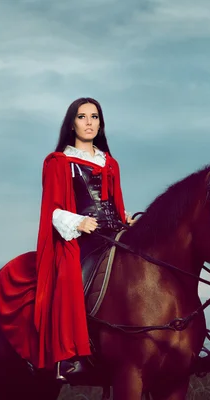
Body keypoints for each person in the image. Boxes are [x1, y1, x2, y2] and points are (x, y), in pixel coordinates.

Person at [33, 97, 134, 382]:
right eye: (82, 117)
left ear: (101, 124)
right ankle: (70, 356)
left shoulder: (110, 163)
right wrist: (79, 221)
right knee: (70, 277)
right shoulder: (58, 162)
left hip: (114, 231)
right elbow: (51, 210)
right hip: (81, 235)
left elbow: (112, 203)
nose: (89, 122)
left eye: (94, 117)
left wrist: (125, 218)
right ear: (72, 123)